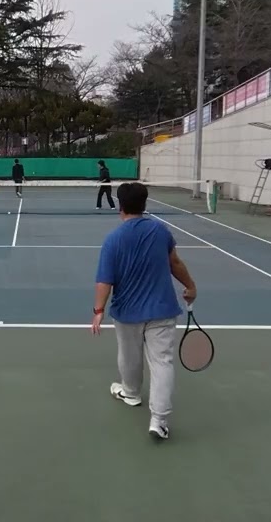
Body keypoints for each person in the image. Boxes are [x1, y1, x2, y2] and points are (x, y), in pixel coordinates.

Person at [91, 182, 198, 441]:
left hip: (127, 313)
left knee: (129, 357)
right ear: (145, 203)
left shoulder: (113, 239)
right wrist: (190, 286)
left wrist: (98, 310)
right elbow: (175, 263)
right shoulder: (161, 231)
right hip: (161, 310)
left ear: (120, 205)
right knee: (162, 362)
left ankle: (131, 393)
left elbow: (105, 281)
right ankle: (158, 420)